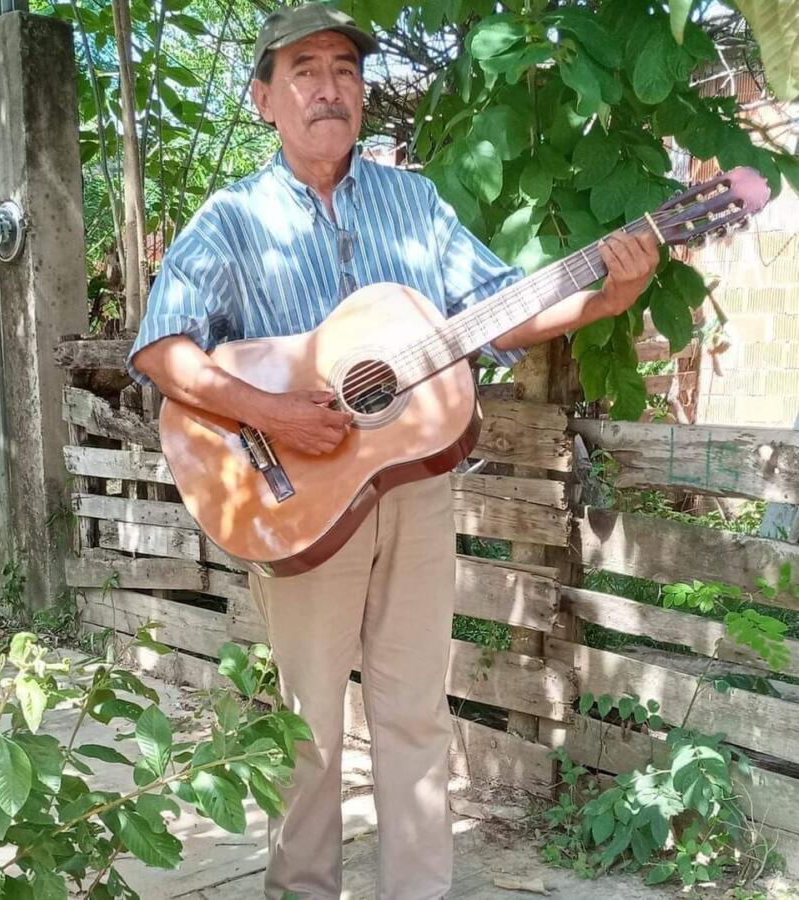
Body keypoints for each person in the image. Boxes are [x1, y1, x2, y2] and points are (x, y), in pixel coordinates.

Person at [127, 4, 659, 897]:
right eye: (303, 69)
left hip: (412, 489)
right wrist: (275, 413)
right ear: (264, 98)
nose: (327, 86)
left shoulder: (412, 202)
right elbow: (161, 350)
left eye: (343, 68)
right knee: (309, 730)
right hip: (291, 494)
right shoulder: (231, 218)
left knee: (414, 715)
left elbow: (499, 309)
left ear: (362, 94)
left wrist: (606, 294)